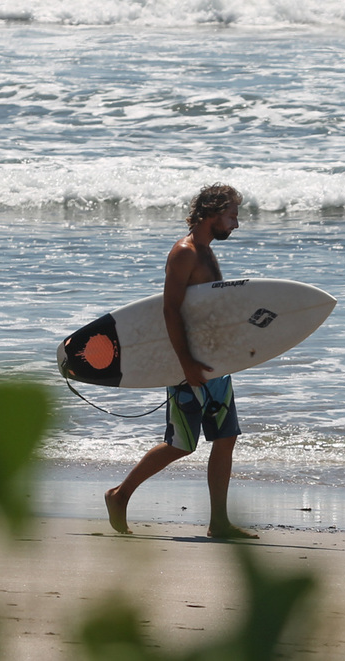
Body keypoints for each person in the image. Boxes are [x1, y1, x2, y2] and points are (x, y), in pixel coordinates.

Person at [105, 184, 259, 540]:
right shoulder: (185, 253)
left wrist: (239, 349)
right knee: (181, 443)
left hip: (214, 364)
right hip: (187, 364)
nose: (236, 224)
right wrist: (186, 364)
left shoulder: (207, 252)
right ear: (213, 212)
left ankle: (218, 521)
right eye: (232, 215)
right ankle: (119, 494)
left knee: (226, 437)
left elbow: (210, 309)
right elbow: (170, 311)